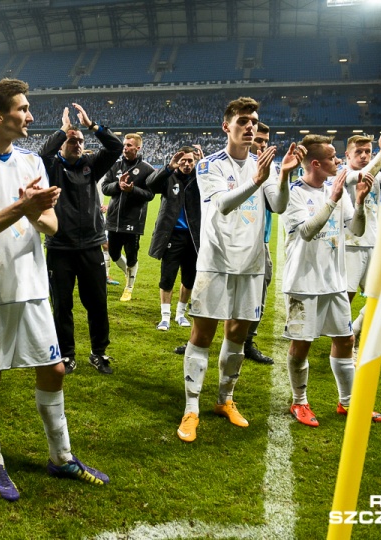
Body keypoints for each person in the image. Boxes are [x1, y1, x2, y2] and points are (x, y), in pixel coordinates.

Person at [0, 78, 108, 502]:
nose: (30, 116)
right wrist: (21, 207)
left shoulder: (33, 161)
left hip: (32, 285)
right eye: (23, 108)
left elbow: (52, 226)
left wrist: (36, 213)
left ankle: (61, 456)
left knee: (54, 370)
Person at [177, 96, 286, 443]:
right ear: (227, 126)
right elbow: (221, 204)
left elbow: (279, 206)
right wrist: (257, 180)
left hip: (251, 263)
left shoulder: (261, 164)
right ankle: (191, 408)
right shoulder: (209, 165)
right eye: (243, 121)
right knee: (203, 334)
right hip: (216, 261)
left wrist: (282, 177)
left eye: (253, 121)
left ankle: (224, 400)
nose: (250, 127)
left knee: (237, 334)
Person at [281, 134, 381, 426]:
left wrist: (361, 202)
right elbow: (306, 232)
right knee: (302, 344)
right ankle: (299, 402)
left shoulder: (334, 188)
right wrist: (332, 200)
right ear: (316, 163)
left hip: (335, 280)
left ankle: (349, 403)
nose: (338, 161)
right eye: (332, 157)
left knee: (345, 339)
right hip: (303, 282)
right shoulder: (294, 193)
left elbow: (356, 228)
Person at [39, 102, 122, 375]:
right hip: (60, 247)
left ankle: (98, 353)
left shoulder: (91, 165)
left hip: (90, 246)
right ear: (63, 143)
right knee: (62, 305)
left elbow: (115, 148)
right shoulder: (51, 167)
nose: (76, 144)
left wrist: (91, 126)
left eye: (80, 141)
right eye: (71, 140)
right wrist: (64, 130)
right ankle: (67, 354)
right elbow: (43, 153)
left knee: (97, 303)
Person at [146, 146, 202, 335]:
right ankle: (165, 317)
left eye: (190, 161)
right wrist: (168, 167)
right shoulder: (169, 177)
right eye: (183, 160)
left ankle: (180, 314)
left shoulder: (200, 178)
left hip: (194, 236)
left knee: (189, 278)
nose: (187, 164)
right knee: (167, 277)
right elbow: (151, 185)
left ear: (195, 163)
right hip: (172, 235)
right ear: (178, 161)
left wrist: (204, 165)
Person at [342, 130, 381, 338]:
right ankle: (342, 341)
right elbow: (365, 174)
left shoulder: (378, 176)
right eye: (358, 151)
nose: (363, 155)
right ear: (347, 155)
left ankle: (356, 328)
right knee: (346, 298)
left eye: (368, 152)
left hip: (374, 244)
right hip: (350, 245)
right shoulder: (341, 174)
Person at [101, 134, 155, 302]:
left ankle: (129, 287)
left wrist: (133, 190)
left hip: (133, 221)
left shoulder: (147, 169)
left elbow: (150, 195)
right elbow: (105, 188)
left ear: (137, 148)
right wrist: (118, 185)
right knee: (114, 252)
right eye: (124, 145)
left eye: (129, 145)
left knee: (132, 256)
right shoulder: (115, 165)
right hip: (113, 219)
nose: (125, 147)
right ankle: (128, 273)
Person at [242, 123, 276, 364]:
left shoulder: (270, 168)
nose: (262, 145)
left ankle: (247, 342)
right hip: (230, 241)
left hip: (259, 240)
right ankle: (200, 337)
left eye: (265, 141)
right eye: (259, 140)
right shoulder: (231, 165)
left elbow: (276, 205)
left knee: (260, 290)